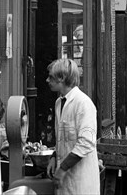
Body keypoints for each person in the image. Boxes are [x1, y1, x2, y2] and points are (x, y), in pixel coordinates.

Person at [46, 58, 100, 195]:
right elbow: (62, 137)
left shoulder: (84, 104)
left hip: (80, 181)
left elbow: (86, 142)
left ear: (62, 78)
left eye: (51, 77)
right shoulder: (59, 102)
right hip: (65, 182)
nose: (47, 80)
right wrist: (54, 156)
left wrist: (63, 168)